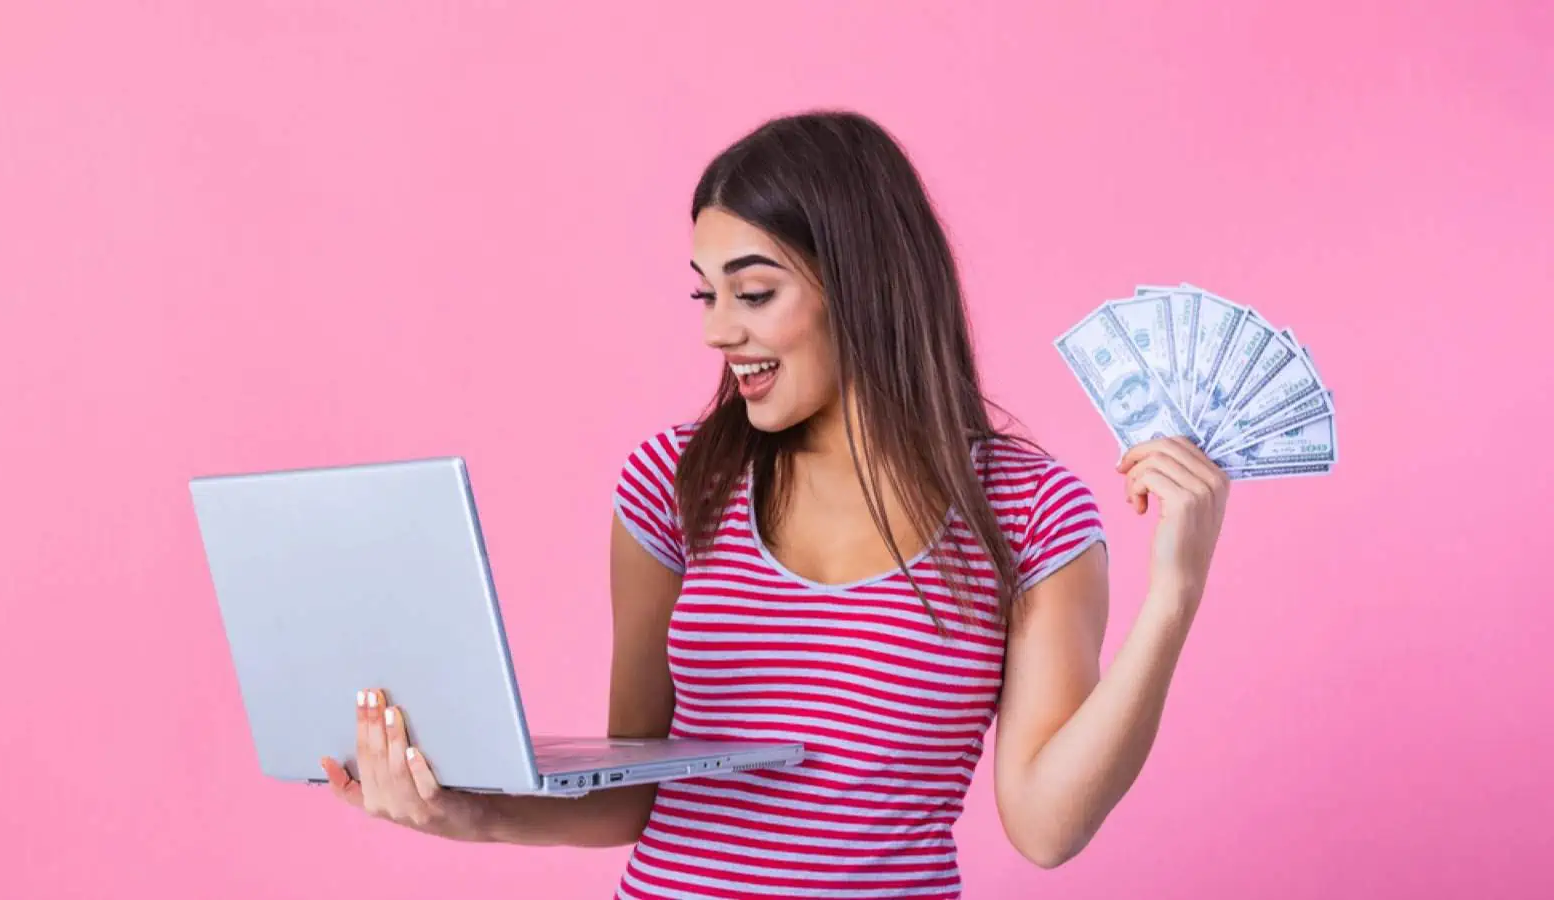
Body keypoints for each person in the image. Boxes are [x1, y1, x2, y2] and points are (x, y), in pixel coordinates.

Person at [318, 110, 1230, 898]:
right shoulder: (673, 486)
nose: (719, 329)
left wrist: (1174, 598)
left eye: (753, 293)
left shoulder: (1028, 510)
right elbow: (633, 790)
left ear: (862, 285)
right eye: (707, 294)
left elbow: (1045, 827)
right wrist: (459, 813)